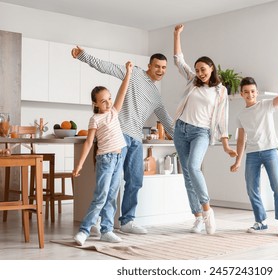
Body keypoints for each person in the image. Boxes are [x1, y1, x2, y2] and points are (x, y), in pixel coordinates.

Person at [71, 46, 174, 235]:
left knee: (135, 180)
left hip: (136, 139)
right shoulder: (134, 73)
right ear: (149, 66)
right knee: (110, 183)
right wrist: (83, 56)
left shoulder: (156, 96)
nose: (160, 70)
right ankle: (100, 222)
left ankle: (127, 221)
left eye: (164, 67)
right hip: (118, 134)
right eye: (157, 66)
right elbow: (106, 67)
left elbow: (167, 120)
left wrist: (184, 138)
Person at [173, 24, 237, 235]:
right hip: (181, 130)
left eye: (203, 69)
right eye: (198, 69)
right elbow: (178, 61)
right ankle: (197, 217)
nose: (200, 73)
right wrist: (177, 35)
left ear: (212, 69)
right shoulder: (192, 81)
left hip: (201, 132)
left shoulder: (220, 91)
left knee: (194, 167)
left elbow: (222, 119)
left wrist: (226, 145)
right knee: (187, 175)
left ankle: (208, 211)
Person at [73, 61, 133, 245]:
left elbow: (123, 91)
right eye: (103, 100)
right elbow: (89, 142)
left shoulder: (114, 112)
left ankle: (106, 230)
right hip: (105, 160)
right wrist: (80, 165)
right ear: (95, 104)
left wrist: (128, 73)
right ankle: (84, 231)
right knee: (101, 196)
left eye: (109, 98)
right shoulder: (95, 119)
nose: (108, 103)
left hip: (118, 157)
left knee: (112, 196)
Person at [230, 67, 278, 238]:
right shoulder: (240, 115)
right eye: (246, 92)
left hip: (270, 151)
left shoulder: (266, 106)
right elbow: (241, 140)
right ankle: (261, 222)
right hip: (252, 154)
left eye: (252, 91)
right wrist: (237, 161)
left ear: (257, 92)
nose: (250, 94)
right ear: (241, 94)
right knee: (252, 188)